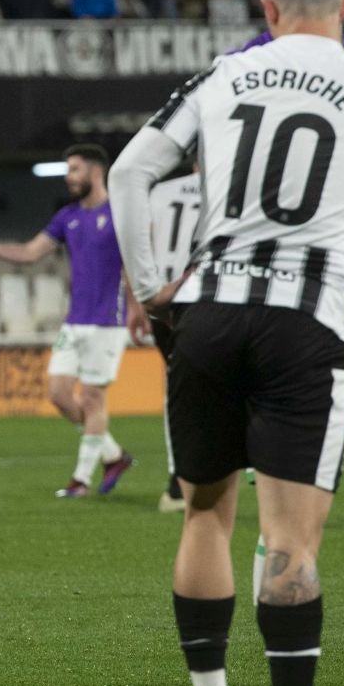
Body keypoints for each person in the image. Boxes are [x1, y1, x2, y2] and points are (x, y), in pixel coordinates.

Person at [108, 0, 344, 686]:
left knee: (208, 513)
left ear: (268, 7)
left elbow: (130, 170)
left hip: (209, 313)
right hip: (300, 324)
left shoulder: (224, 73)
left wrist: (151, 291)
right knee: (290, 539)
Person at [0, 144, 137, 499]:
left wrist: (137, 309)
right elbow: (29, 252)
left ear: (95, 171)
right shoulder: (67, 217)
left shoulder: (120, 214)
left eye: (74, 169)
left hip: (108, 321)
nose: (69, 177)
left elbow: (134, 266)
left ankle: (81, 480)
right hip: (75, 322)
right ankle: (114, 455)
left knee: (91, 397)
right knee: (57, 393)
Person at [140, 166, 204, 515]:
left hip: (161, 300)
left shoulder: (161, 191)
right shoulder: (227, 185)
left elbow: (139, 244)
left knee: (176, 387)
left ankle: (178, 481)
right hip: (204, 297)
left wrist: (139, 302)